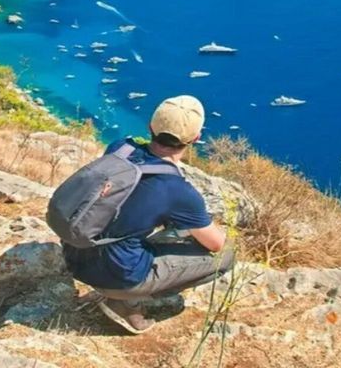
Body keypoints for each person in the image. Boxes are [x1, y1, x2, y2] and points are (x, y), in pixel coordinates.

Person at [62, 95, 235, 334]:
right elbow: (216, 245)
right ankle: (127, 302)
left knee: (175, 228)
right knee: (226, 257)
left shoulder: (119, 148)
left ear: (150, 127)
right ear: (196, 138)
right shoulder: (177, 191)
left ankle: (123, 290)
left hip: (75, 255)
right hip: (114, 276)